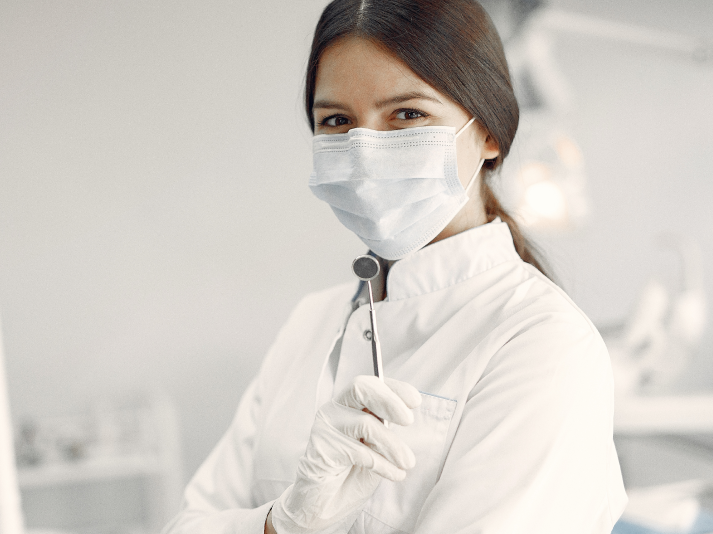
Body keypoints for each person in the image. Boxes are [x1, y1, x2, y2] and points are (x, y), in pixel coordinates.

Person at [163, 0, 628, 532]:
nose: (364, 151)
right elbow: (187, 524)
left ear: (488, 132)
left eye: (407, 114)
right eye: (337, 120)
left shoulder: (542, 342)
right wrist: (281, 523)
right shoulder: (312, 322)